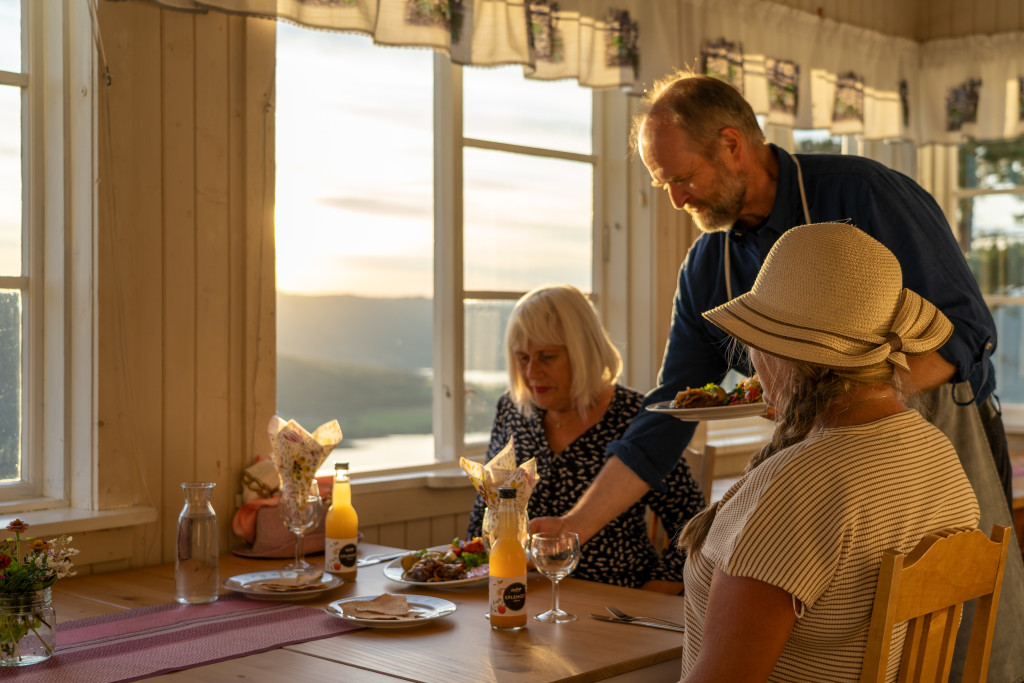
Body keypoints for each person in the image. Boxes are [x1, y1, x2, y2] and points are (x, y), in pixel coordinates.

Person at [530, 72, 1024, 682]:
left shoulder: (863, 194)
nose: (676, 200)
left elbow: (967, 334)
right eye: (662, 185)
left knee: (976, 635)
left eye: (681, 178)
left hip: (933, 429)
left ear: (733, 145)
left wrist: (846, 403)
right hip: (837, 438)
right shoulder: (709, 263)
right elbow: (669, 412)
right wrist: (573, 527)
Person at [676, 221, 980, 682]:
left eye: (758, 343)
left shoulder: (799, 489)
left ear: (789, 354)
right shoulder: (937, 456)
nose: (753, 362)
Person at [466, 284, 705, 593]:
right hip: (523, 595)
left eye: (547, 357)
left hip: (617, 599)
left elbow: (694, 525)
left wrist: (653, 596)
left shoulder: (635, 415)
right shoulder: (513, 409)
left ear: (583, 352)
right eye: (522, 358)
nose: (531, 372)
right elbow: (485, 511)